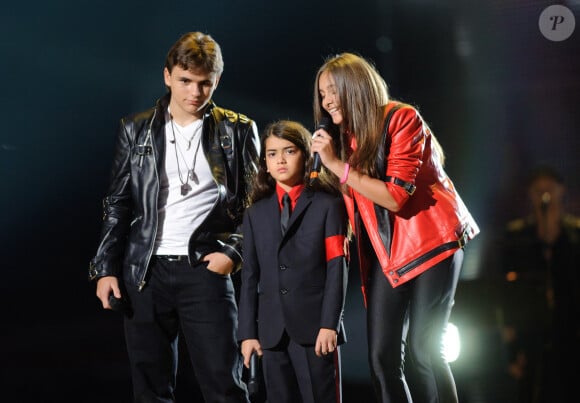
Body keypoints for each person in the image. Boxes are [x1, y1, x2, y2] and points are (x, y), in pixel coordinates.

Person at [88, 31, 260, 402]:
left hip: (205, 268)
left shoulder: (238, 130)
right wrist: (106, 268)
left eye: (205, 84)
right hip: (145, 271)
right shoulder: (135, 128)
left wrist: (234, 253)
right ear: (167, 76)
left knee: (224, 384)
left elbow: (255, 207)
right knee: (149, 387)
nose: (194, 93)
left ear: (216, 82)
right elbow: (118, 202)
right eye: (185, 81)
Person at [309, 52, 480, 403]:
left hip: (431, 242)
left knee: (423, 350)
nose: (325, 101)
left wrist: (337, 166)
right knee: (381, 357)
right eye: (321, 94)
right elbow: (354, 197)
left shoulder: (401, 118)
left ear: (353, 85)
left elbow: (395, 197)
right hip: (389, 254)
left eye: (331, 91)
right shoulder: (348, 140)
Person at [237, 120, 349, 403]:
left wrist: (330, 324)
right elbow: (249, 275)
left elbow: (338, 267)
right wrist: (248, 333)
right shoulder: (255, 214)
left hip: (316, 330)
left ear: (307, 154)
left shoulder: (328, 204)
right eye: (272, 154)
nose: (281, 160)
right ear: (264, 162)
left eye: (289, 151)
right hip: (271, 333)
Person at [499, 165, 580, 403]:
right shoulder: (517, 237)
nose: (545, 195)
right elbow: (507, 293)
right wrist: (511, 348)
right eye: (538, 190)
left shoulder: (575, 237)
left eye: (550, 189)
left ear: (561, 191)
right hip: (530, 334)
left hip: (570, 334)